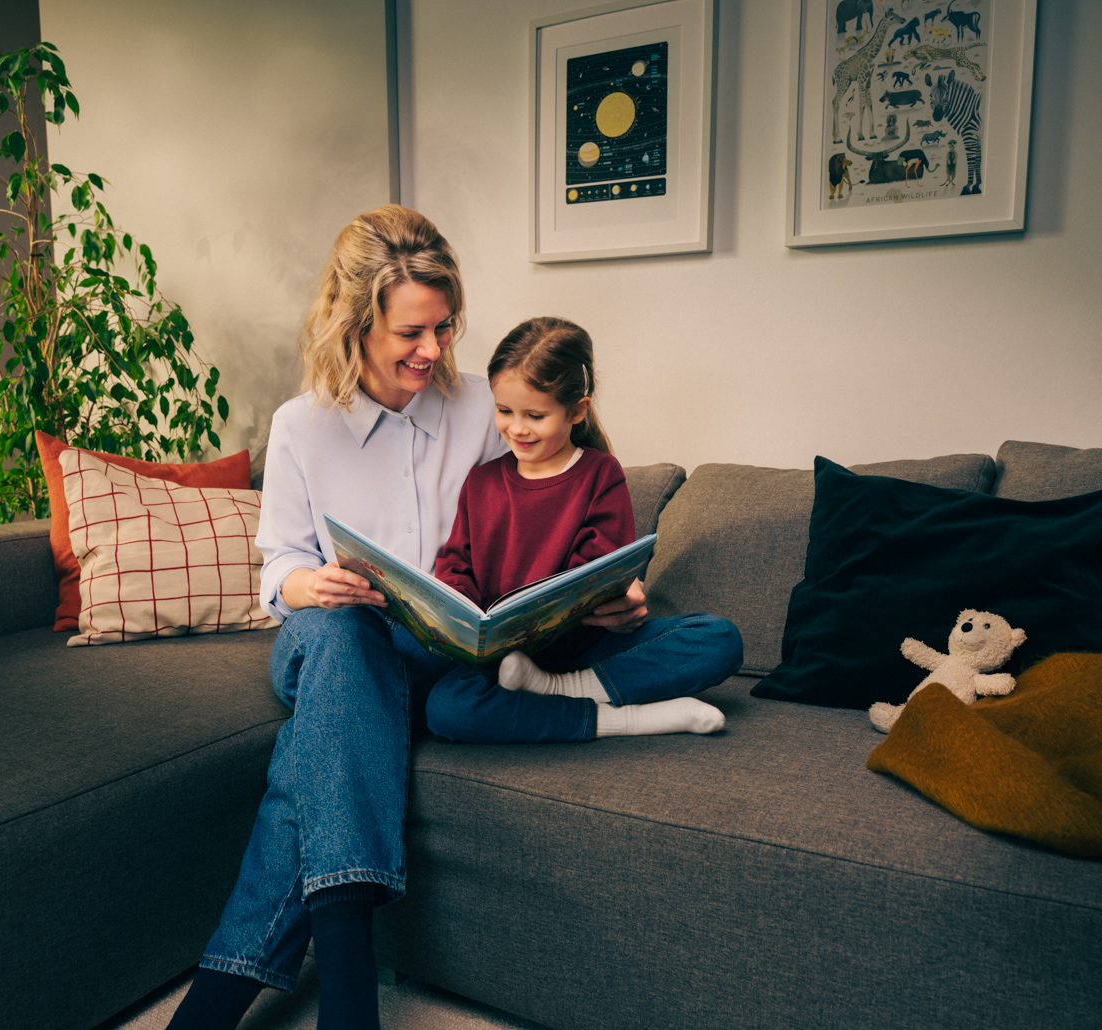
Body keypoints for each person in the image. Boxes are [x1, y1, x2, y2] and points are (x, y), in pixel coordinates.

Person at [164, 210, 653, 1030]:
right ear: (355, 324)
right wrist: (308, 583)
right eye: (411, 331)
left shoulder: (476, 412)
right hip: (326, 634)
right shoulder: (299, 426)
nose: (433, 348)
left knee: (310, 759)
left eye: (444, 325)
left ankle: (217, 1005)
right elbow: (276, 563)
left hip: (434, 652)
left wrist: (601, 599)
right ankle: (348, 969)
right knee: (341, 636)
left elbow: (540, 516)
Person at [426, 316, 743, 742]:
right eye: (504, 411)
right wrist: (461, 615)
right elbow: (455, 565)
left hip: (585, 647)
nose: (516, 428)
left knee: (718, 638)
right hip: (504, 658)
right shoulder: (481, 482)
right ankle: (618, 719)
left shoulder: (600, 474)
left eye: (535, 415)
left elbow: (595, 572)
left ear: (577, 410)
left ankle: (561, 692)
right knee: (447, 708)